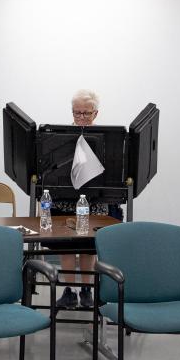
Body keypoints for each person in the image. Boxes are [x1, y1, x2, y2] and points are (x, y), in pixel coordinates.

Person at [48, 89, 123, 310]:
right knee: (67, 247)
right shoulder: (60, 138)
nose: (81, 117)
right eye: (77, 113)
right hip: (64, 201)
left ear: (96, 113)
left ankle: (87, 290)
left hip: (95, 202)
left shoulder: (106, 139)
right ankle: (70, 291)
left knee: (89, 247)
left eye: (86, 113)